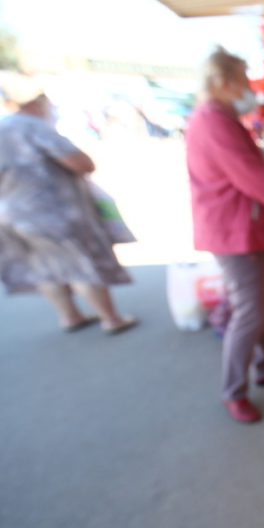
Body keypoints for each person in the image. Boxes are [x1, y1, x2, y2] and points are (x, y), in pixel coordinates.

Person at [185, 47, 264, 424]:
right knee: (249, 310)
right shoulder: (214, 121)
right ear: (222, 83)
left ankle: (263, 367)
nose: (248, 87)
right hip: (235, 229)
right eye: (243, 80)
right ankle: (233, 391)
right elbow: (256, 182)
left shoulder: (222, 117)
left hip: (247, 226)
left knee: (261, 301)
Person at [0, 74, 137, 334]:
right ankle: (111, 319)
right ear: (35, 102)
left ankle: (70, 316)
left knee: (44, 266)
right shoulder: (32, 127)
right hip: (51, 213)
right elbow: (80, 163)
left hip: (9, 215)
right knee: (80, 264)